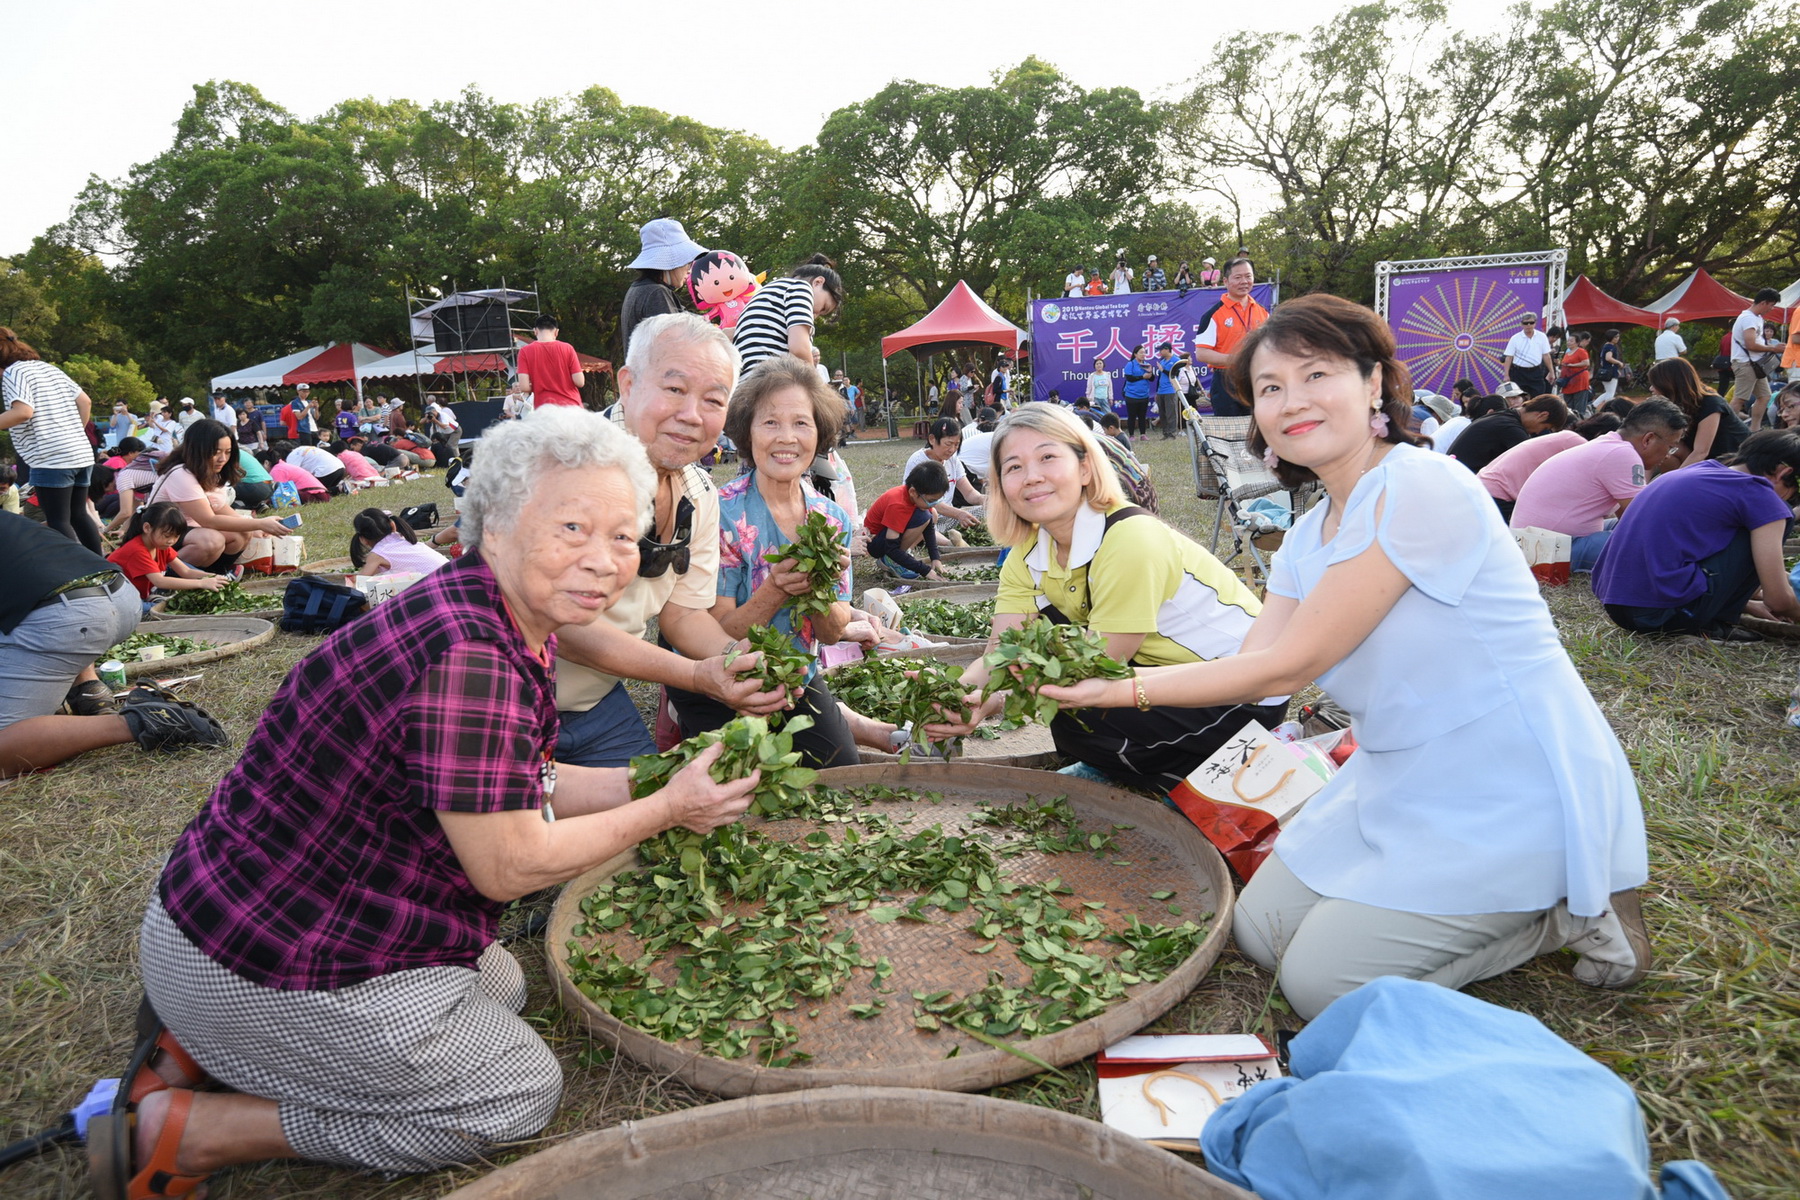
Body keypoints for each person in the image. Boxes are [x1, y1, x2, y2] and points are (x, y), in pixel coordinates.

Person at [92, 410, 771, 1196]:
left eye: (625, 537)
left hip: (222, 918)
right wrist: (671, 807)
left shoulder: (496, 610)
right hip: (253, 957)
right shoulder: (475, 656)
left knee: (501, 983)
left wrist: (664, 777)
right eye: (573, 527)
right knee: (516, 1090)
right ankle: (195, 1128)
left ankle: (205, 1047)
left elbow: (526, 783)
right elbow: (510, 865)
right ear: (495, 527)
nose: (603, 561)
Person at [1027, 293, 1651, 1020]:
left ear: (1374, 383)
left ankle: (1567, 910)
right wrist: (1100, 679)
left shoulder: (1421, 486)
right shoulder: (1310, 533)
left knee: (1320, 985)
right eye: (1269, 388)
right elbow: (1251, 665)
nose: (1291, 401)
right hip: (1399, 771)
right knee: (1263, 933)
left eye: (1315, 374)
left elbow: (1289, 668)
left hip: (1501, 777)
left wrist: (1111, 691)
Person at [926, 403, 1282, 791]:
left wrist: (996, 698)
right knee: (1057, 681)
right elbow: (1000, 652)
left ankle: (1183, 780)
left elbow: (1103, 666)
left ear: (1084, 467)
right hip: (1159, 677)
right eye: (1013, 467)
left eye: (1048, 457)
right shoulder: (1027, 553)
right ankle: (1133, 769)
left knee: (1074, 695)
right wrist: (962, 695)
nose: (1031, 477)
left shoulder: (1128, 539)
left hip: (1241, 694)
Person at [552, 313, 786, 772]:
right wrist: (700, 676)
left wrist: (743, 663)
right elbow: (564, 628)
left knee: (655, 833)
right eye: (675, 389)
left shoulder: (698, 491)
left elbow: (682, 614)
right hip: (505, 699)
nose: (691, 415)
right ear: (627, 383)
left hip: (596, 703)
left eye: (713, 399)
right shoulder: (570, 465)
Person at [668, 357, 893, 767]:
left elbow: (829, 634)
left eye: (801, 423)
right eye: (770, 423)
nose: (786, 438)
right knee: (738, 787)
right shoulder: (721, 514)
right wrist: (775, 590)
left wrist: (820, 587)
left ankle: (846, 723)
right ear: (746, 433)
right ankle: (679, 709)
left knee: (840, 769)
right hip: (720, 674)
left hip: (794, 674)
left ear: (819, 433)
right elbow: (718, 630)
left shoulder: (831, 519)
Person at [0, 510, 228, 778]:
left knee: (6, 742)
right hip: (120, 595)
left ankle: (141, 721)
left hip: (71, 619)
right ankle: (89, 693)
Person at [1594, 428, 1800, 639]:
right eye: (1795, 492)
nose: (1790, 498)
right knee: (1780, 516)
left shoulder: (1698, 471)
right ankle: (1715, 622)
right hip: (1662, 615)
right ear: (1785, 473)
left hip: (1617, 606)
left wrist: (1749, 603)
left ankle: (1714, 613)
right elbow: (1779, 601)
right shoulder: (1760, 495)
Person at [1509, 399, 1687, 572]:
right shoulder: (1622, 454)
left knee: (1636, 534)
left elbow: (1627, 517)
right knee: (1650, 547)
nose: (1668, 456)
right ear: (1648, 439)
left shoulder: (1609, 444)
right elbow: (1642, 518)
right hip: (1546, 550)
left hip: (1531, 542)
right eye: (1670, 447)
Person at [0, 327, 102, 552]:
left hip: (52, 457)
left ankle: (78, 572)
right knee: (78, 515)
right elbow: (85, 402)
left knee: (58, 521)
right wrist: (73, 432)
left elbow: (23, 412)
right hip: (80, 453)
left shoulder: (13, 373)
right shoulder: (48, 368)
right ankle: (102, 567)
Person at [144, 420, 289, 571]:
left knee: (242, 533)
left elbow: (220, 508)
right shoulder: (181, 474)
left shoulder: (208, 472)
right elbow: (209, 520)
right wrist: (260, 523)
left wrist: (255, 527)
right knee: (211, 541)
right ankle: (162, 575)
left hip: (187, 530)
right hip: (161, 532)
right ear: (198, 449)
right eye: (216, 452)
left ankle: (216, 575)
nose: (223, 459)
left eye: (227, 452)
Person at [733, 254, 844, 373]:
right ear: (818, 282)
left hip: (745, 381)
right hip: (772, 377)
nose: (816, 315)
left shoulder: (768, 292)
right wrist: (817, 384)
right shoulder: (801, 288)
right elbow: (799, 349)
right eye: (823, 307)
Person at [107, 502, 231, 607]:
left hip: (138, 595)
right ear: (147, 528)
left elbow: (186, 572)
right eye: (167, 536)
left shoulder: (161, 545)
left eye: (176, 537)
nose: (171, 541)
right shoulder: (137, 550)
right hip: (117, 600)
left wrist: (212, 577)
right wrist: (201, 583)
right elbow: (160, 581)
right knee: (160, 608)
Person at [619, 217, 707, 356]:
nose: (689, 269)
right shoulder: (656, 293)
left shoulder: (640, 289)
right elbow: (675, 345)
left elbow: (690, 320)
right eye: (687, 262)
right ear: (670, 261)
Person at [1192, 258, 1268, 417]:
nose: (1244, 281)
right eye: (1238, 277)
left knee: (1260, 430)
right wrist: (1237, 359)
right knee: (1230, 434)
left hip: (1257, 377)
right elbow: (1202, 353)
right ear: (1226, 281)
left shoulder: (1263, 312)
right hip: (1226, 381)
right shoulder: (1213, 315)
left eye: (1248, 276)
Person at [1647, 355, 1746, 468]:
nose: (1651, 389)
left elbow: (1701, 452)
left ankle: (1676, 482)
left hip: (1730, 459)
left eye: (1655, 384)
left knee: (1669, 452)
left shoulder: (1710, 403)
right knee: (1665, 449)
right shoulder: (1672, 405)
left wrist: (1672, 480)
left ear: (1670, 385)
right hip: (1703, 457)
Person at [1476, 427, 1585, 522]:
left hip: (1485, 484)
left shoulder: (1565, 437)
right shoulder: (1576, 442)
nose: (1539, 431)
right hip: (1500, 494)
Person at [864, 461, 949, 580]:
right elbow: (891, 548)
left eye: (936, 500)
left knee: (929, 515)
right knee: (923, 516)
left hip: (886, 537)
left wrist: (935, 558)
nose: (933, 503)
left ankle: (899, 557)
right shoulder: (898, 505)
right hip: (875, 542)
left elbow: (929, 527)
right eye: (931, 500)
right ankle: (891, 560)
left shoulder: (917, 498)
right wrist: (925, 571)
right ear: (913, 492)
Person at [1447, 394, 1570, 473]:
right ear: (1542, 415)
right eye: (1545, 427)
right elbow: (1535, 468)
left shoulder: (1503, 416)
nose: (1538, 432)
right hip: (1462, 482)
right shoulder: (1512, 429)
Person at [905, 417, 984, 536]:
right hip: (926, 517)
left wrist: (986, 500)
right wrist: (958, 514)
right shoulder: (918, 461)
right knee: (928, 521)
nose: (952, 450)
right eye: (948, 444)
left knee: (985, 511)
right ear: (932, 439)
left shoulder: (953, 460)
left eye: (956, 445)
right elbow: (929, 502)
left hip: (949, 517)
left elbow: (970, 494)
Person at [1731, 289, 1784, 431]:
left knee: (1765, 396)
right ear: (1763, 303)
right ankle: (1726, 429)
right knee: (1739, 399)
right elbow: (1751, 345)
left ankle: (1754, 429)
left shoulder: (1756, 318)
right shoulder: (1748, 318)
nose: (1771, 309)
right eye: (1771, 305)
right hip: (1746, 364)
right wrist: (1774, 349)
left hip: (1755, 365)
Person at [350, 508, 450, 576]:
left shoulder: (378, 554)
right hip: (453, 576)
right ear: (393, 525)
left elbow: (359, 583)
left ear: (363, 540)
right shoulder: (402, 538)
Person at [516, 315, 586, 410]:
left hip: (544, 408)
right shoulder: (568, 348)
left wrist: (538, 385)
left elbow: (524, 387)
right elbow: (580, 382)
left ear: (535, 331)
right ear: (556, 332)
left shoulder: (524, 351)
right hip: (572, 407)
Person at [1501, 313, 1554, 397]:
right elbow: (1509, 357)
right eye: (1526, 323)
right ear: (1521, 324)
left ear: (1535, 323)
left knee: (1538, 398)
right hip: (1519, 372)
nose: (1528, 325)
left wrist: (1551, 372)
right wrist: (1506, 375)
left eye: (1531, 323)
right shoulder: (1515, 338)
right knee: (1519, 398)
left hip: (1536, 372)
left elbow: (1546, 355)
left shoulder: (1542, 337)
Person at [282, 439, 348, 494]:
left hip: (327, 471)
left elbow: (293, 474)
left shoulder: (291, 457)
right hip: (340, 468)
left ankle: (339, 489)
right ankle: (340, 488)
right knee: (324, 489)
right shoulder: (302, 448)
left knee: (313, 491)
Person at [1153, 342, 1188, 439]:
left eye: (1161, 350)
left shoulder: (1176, 360)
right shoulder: (1162, 361)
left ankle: (1172, 433)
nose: (1159, 352)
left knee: (1171, 413)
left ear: (1167, 349)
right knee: (1162, 414)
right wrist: (1157, 391)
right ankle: (1165, 433)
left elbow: (1175, 374)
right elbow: (1160, 377)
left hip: (1171, 390)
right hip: (1161, 391)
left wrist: (1163, 369)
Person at [959, 407, 999, 489]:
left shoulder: (979, 430)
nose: (990, 424)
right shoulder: (977, 431)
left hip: (968, 468)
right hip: (964, 468)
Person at [1121, 344, 1156, 437]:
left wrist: (1150, 372)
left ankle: (1143, 434)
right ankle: (1131, 435)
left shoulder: (1146, 364)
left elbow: (1152, 379)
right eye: (1141, 352)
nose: (1143, 354)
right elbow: (1129, 378)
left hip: (1144, 395)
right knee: (1132, 416)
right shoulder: (1130, 364)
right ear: (1135, 354)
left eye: (1144, 352)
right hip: (1131, 395)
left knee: (1142, 416)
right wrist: (1142, 377)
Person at [1559, 330, 1594, 418]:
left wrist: (1572, 365)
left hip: (1579, 380)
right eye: (1568, 341)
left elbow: (1586, 363)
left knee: (1579, 404)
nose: (1569, 343)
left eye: (1571, 341)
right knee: (1568, 404)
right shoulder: (1567, 353)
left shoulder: (1581, 351)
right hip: (1568, 381)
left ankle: (1578, 420)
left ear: (1577, 342)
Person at [1593, 329, 1625, 405]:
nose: (1617, 339)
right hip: (1610, 372)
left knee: (1608, 392)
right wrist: (1619, 362)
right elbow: (1608, 358)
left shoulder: (1605, 346)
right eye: (1615, 337)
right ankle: (1608, 407)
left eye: (1618, 337)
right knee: (1611, 393)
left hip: (1605, 370)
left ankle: (1593, 405)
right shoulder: (1610, 346)